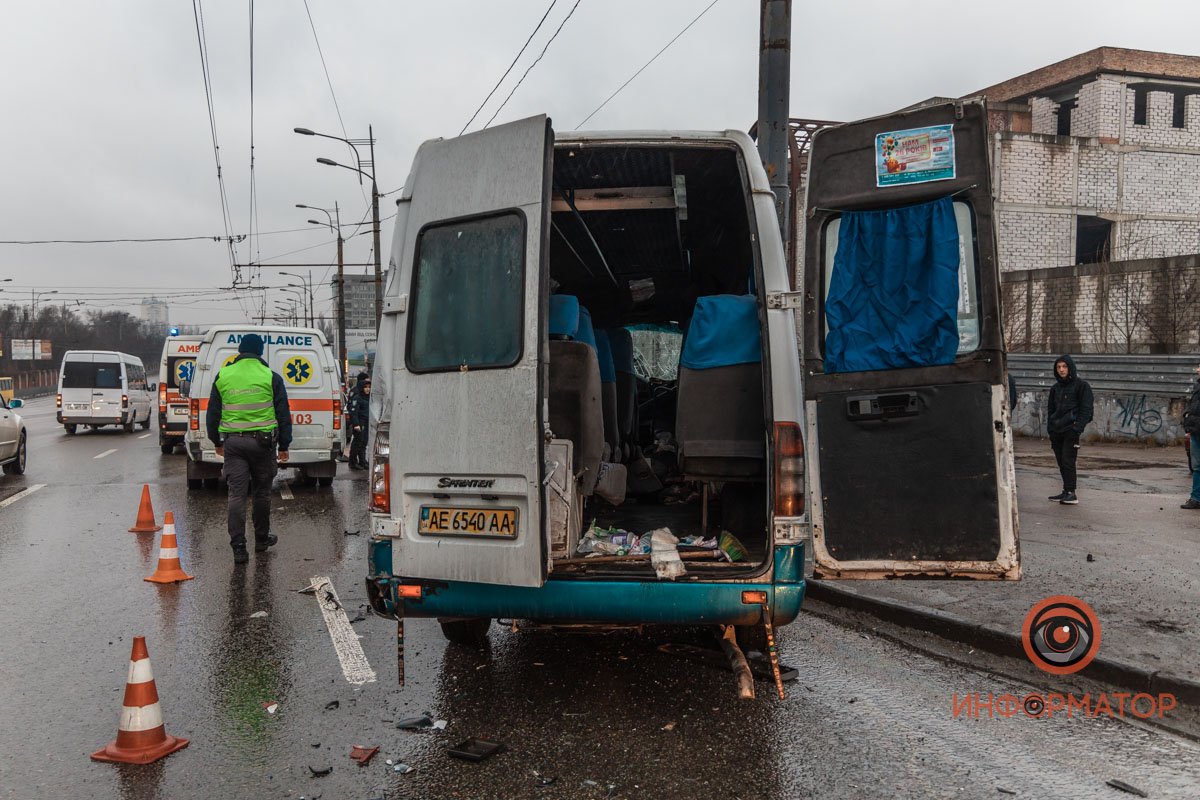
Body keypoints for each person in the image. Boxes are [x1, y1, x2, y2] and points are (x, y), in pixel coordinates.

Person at [206, 334, 292, 564]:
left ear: (240, 350)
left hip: (233, 443)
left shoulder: (223, 375)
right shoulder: (270, 376)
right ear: (260, 351)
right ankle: (262, 539)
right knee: (262, 494)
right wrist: (284, 445)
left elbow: (213, 412)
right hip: (263, 444)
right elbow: (283, 413)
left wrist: (216, 441)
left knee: (236, 495)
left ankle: (239, 548)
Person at [1046, 354, 1093, 505]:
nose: (1061, 370)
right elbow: (1050, 410)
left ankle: (1072, 493)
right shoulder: (1055, 388)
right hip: (1056, 430)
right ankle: (1066, 491)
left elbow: (1087, 410)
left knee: (1068, 461)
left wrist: (1076, 428)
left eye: (1064, 366)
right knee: (1061, 462)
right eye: (1058, 367)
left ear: (1070, 367)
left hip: (1070, 431)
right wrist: (1050, 429)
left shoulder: (1082, 386)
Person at [1181, 363, 1200, 509]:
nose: (1197, 370)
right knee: (1197, 466)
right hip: (1195, 431)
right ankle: (1196, 498)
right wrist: (1187, 423)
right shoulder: (1197, 387)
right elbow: (1192, 408)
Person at [349, 378, 371, 470]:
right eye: (365, 387)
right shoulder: (357, 398)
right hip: (359, 423)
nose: (367, 389)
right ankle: (353, 462)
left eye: (369, 387)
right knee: (358, 442)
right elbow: (354, 412)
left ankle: (362, 462)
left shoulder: (369, 397)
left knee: (364, 443)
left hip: (366, 422)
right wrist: (356, 424)